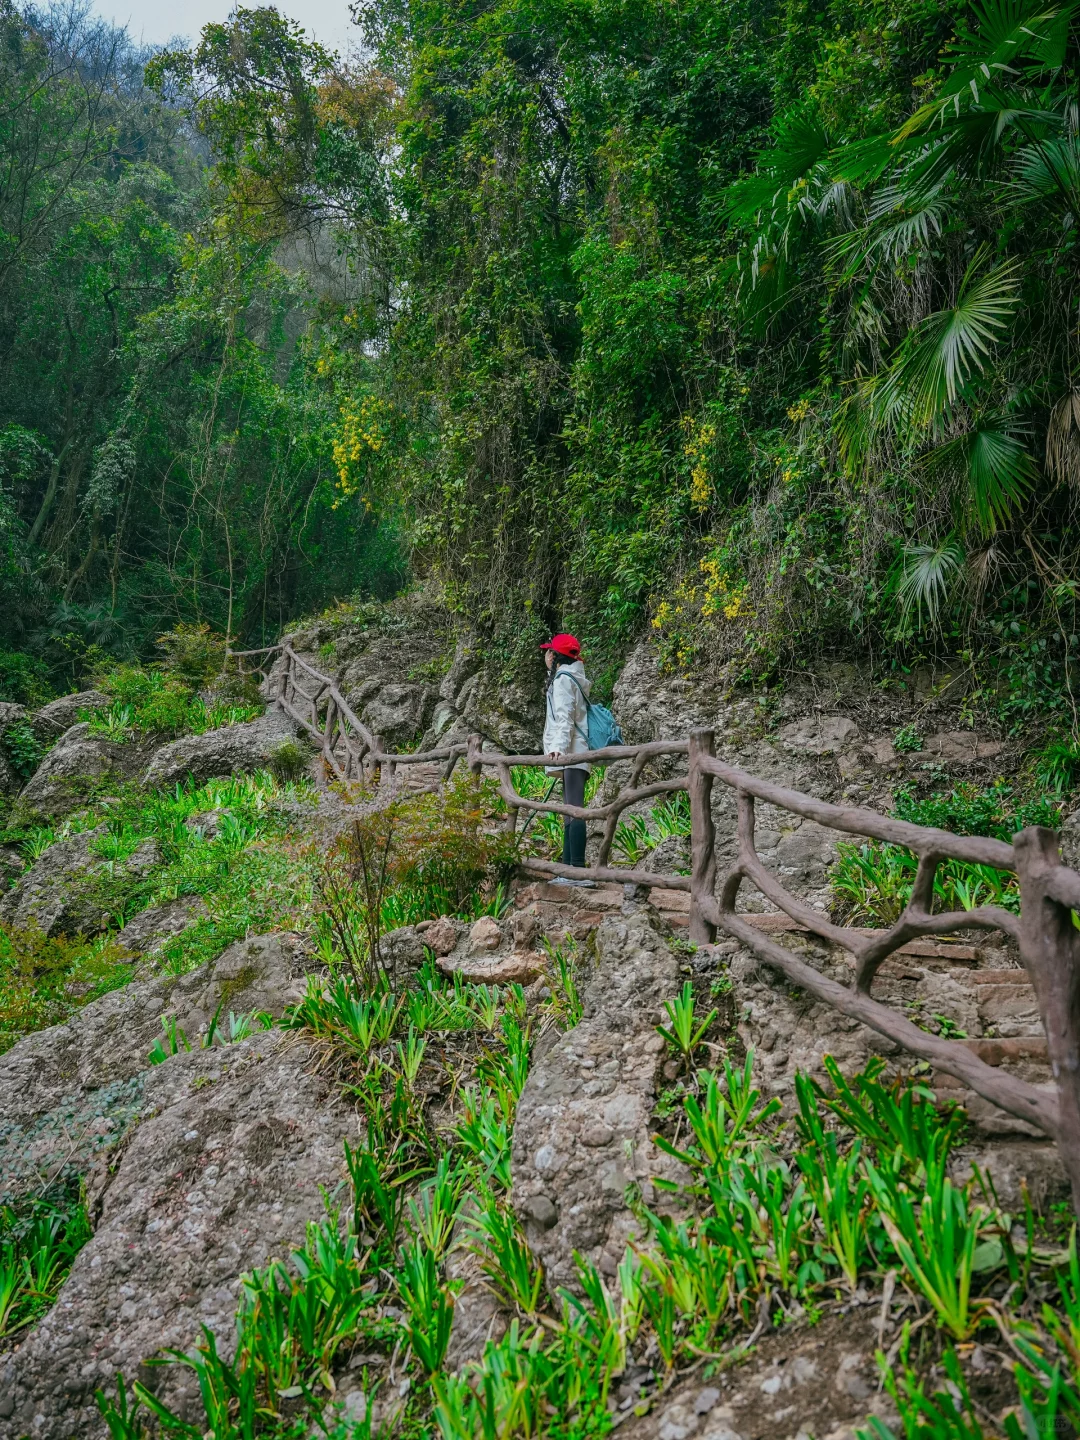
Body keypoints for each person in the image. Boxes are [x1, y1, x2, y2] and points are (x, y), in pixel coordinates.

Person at [541, 632, 592, 870]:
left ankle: (577, 869)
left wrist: (557, 749)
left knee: (574, 809)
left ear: (555, 655)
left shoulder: (563, 680)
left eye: (548, 651)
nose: (546, 655)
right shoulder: (572, 677)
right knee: (569, 810)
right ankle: (568, 868)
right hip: (575, 752)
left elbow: (565, 718)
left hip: (572, 752)